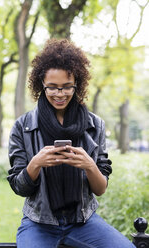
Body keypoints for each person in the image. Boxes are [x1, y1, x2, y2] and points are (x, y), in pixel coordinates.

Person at [7, 39, 134, 248]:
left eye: (67, 87)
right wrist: (36, 163)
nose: (60, 94)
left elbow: (101, 189)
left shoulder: (95, 125)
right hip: (39, 223)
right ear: (41, 85)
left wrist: (89, 165)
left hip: (84, 222)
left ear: (78, 84)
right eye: (52, 88)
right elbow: (19, 187)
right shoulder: (23, 127)